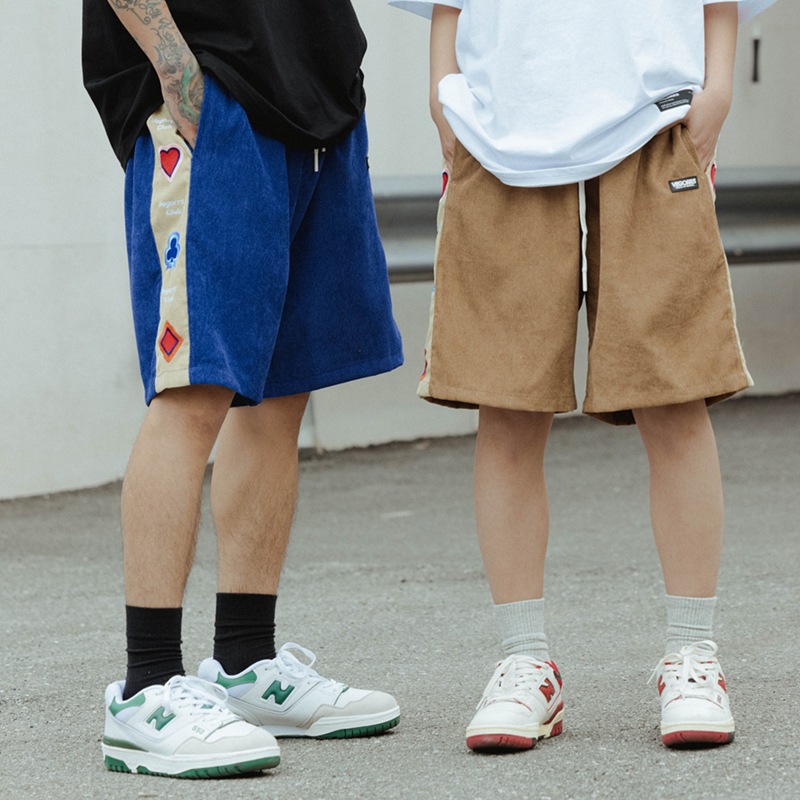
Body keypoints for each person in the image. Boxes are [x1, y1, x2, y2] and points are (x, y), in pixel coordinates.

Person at [389, 0, 774, 752]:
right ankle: (523, 661)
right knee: (507, 403)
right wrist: (443, 94)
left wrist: (718, 88)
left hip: (655, 118)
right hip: (500, 130)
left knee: (674, 395)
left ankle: (692, 653)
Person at [82, 0, 404, 779]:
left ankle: (245, 662)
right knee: (192, 390)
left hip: (316, 98)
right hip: (211, 92)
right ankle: (146, 687)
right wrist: (175, 71)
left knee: (281, 393)